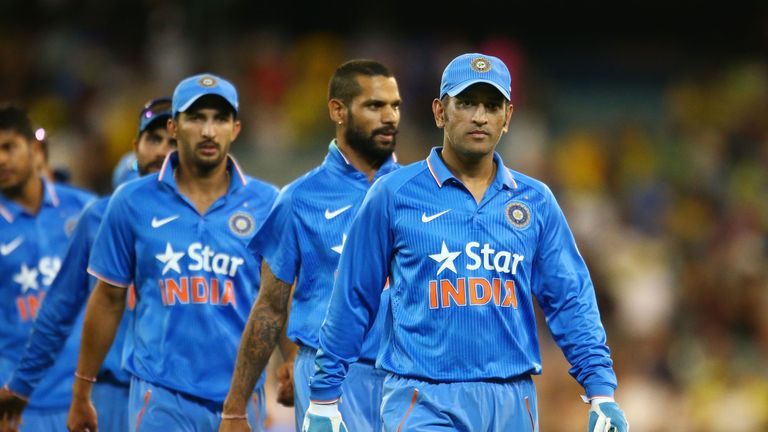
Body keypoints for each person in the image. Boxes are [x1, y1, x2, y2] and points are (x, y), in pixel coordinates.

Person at [303, 53, 630, 432]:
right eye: (467, 103)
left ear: (507, 116)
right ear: (440, 111)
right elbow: (352, 297)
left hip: (512, 401)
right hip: (422, 398)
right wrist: (324, 397)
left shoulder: (535, 201)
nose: (479, 116)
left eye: (491, 106)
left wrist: (601, 391)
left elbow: (570, 300)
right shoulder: (393, 195)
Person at [65, 73, 279, 432]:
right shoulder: (132, 202)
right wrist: (81, 390)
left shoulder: (268, 203)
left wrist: (287, 362)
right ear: (174, 127)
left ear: (236, 128)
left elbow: (277, 299)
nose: (209, 131)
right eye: (196, 118)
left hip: (241, 396)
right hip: (160, 394)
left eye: (220, 119)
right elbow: (108, 300)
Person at [220, 59, 402, 432]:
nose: (389, 117)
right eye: (374, 106)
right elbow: (270, 307)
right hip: (330, 381)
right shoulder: (299, 199)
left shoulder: (417, 193)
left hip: (407, 377)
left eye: (395, 106)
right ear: (338, 110)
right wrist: (236, 408)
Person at [0, 97, 176, 432]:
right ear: (135, 145)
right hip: (93, 393)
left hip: (178, 394)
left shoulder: (80, 207)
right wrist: (20, 387)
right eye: (153, 139)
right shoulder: (99, 216)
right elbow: (60, 308)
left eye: (10, 147)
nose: (163, 152)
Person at [0, 105, 96, 431]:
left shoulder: (85, 210)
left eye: (8, 147)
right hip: (20, 404)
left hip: (90, 395)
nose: (1, 160)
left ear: (35, 149)